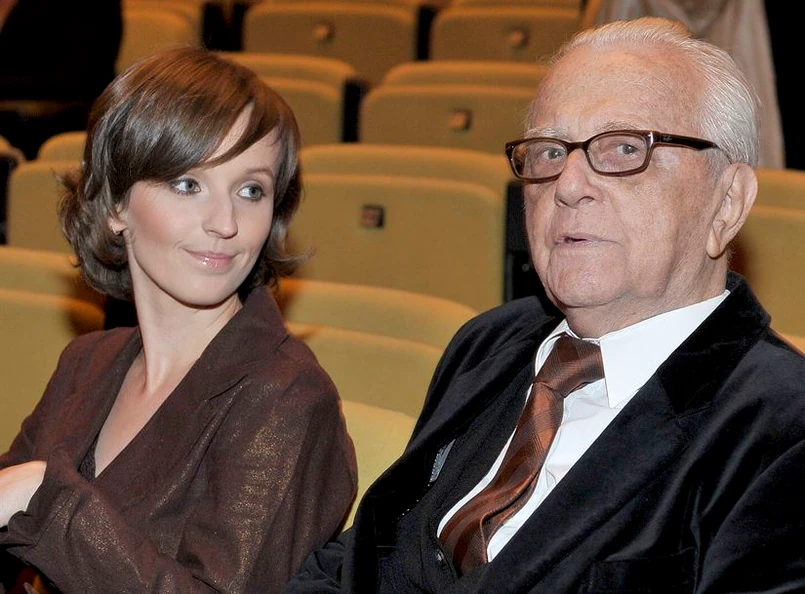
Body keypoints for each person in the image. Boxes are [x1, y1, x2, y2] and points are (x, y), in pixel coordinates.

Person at [285, 16, 805, 594]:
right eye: (549, 152)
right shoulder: (491, 342)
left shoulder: (782, 427)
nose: (568, 185)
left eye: (625, 148)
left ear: (728, 202)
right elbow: (363, 558)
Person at [0, 46, 357, 594]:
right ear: (116, 206)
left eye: (251, 190)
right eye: (189, 184)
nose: (226, 223)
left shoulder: (287, 399)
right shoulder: (86, 362)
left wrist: (42, 499)